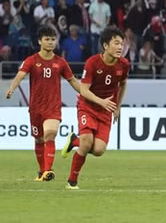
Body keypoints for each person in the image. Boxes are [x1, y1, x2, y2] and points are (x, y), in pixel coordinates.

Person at [4, 25, 82, 181]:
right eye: (47, 39)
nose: (50, 42)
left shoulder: (60, 62)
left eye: (53, 39)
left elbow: (73, 80)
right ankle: (41, 171)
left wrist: (86, 94)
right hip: (35, 108)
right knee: (39, 139)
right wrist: (12, 88)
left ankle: (48, 170)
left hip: (53, 107)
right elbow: (20, 75)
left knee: (50, 135)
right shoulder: (32, 60)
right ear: (40, 41)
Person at [59, 27, 130, 190]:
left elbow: (124, 83)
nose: (120, 47)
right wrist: (102, 102)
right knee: (86, 142)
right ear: (106, 46)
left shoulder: (124, 65)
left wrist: (117, 106)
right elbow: (84, 90)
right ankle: (72, 182)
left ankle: (74, 140)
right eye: (116, 43)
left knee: (98, 150)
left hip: (105, 111)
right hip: (87, 106)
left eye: (122, 44)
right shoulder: (92, 62)